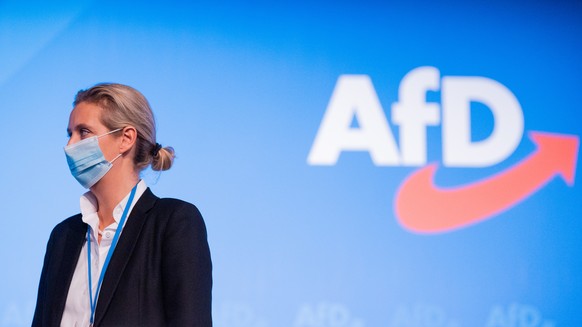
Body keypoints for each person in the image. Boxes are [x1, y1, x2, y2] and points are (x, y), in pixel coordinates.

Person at [32, 83, 212, 326]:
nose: (69, 145)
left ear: (126, 139)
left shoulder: (173, 222)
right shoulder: (64, 236)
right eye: (69, 134)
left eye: (83, 132)